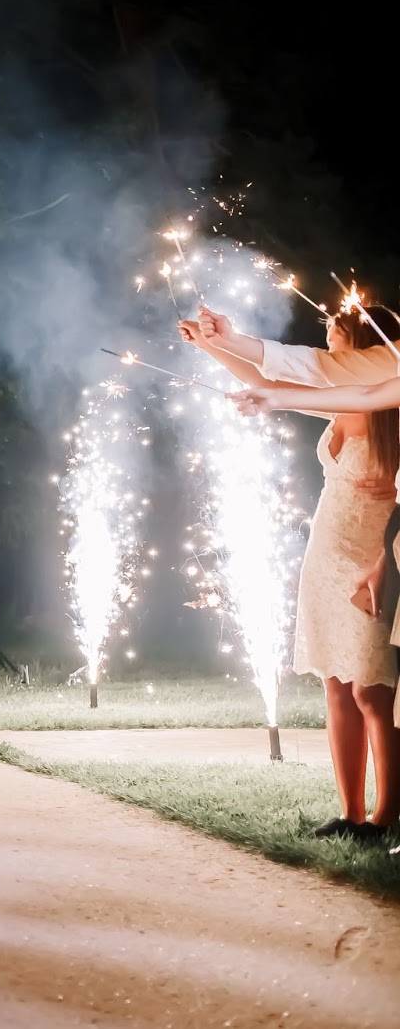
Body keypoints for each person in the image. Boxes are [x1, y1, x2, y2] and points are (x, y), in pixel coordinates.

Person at [185, 308, 400, 840]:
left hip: (375, 555)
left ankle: (385, 817)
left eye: (336, 342)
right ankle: (351, 814)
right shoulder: (343, 397)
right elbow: (279, 379)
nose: (327, 352)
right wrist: (213, 345)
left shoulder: (388, 402)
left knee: (371, 692)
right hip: (326, 555)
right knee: (335, 682)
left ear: (368, 346)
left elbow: (309, 379)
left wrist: (384, 562)